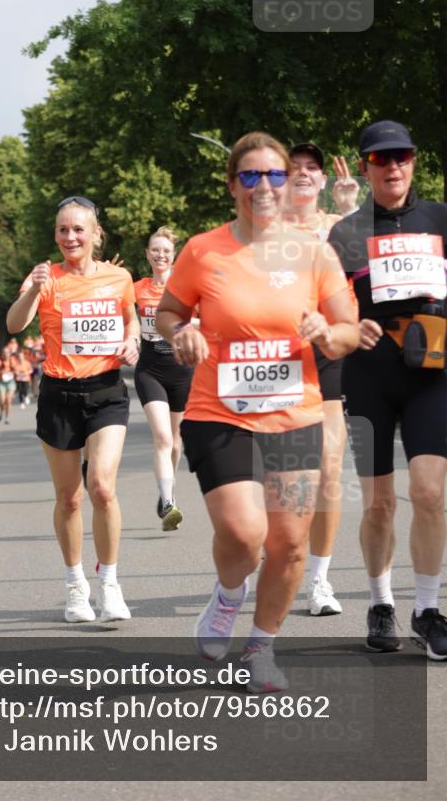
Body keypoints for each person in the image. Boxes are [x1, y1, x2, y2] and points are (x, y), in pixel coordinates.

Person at [156, 132, 358, 691]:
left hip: (295, 420)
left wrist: (327, 331)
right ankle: (227, 596)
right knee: (245, 534)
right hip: (220, 413)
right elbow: (168, 313)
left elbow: (345, 329)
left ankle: (261, 646)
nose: (264, 185)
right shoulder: (204, 250)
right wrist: (182, 332)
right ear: (232, 186)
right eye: (250, 175)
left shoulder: (315, 251)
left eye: (274, 174)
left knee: (290, 543)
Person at [328, 120, 447, 660]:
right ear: (365, 167)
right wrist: (349, 326)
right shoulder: (347, 232)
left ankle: (426, 609)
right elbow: (327, 305)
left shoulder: (440, 218)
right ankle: (380, 603)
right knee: (378, 504)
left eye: (401, 156)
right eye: (380, 159)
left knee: (428, 493)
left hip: (433, 371)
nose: (393, 166)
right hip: (369, 373)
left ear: (414, 160)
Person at [6, 194, 140, 624]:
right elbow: (14, 324)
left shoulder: (119, 277)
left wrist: (133, 339)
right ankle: (75, 585)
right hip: (59, 394)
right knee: (69, 499)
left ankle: (111, 584)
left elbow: (130, 316)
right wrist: (35, 288)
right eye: (63, 229)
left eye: (78, 229)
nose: (70, 237)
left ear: (96, 234)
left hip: (105, 392)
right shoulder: (45, 276)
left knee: (101, 486)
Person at [284, 142, 360, 616]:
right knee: (289, 479)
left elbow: (369, 262)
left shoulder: (340, 226)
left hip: (329, 350)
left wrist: (352, 206)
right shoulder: (266, 229)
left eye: (314, 168)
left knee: (330, 468)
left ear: (324, 180)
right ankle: (280, 560)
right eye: (296, 169)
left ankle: (319, 579)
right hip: (280, 357)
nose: (306, 174)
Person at [134, 226, 194, 531]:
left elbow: (203, 319)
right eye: (155, 250)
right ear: (148, 254)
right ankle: (168, 502)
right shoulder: (136, 288)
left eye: (166, 251)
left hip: (182, 369)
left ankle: (167, 491)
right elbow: (117, 310)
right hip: (150, 370)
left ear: (173, 257)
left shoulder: (184, 288)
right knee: (162, 438)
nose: (160, 255)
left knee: (175, 442)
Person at [0, 345, 16, 423]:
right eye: (4, 353)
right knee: (2, 401)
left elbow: (16, 371)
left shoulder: (12, 361)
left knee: (8, 401)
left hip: (10, 382)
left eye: (7, 353)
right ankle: (1, 412)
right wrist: (1, 372)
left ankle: (6, 418)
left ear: (9, 354)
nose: (6, 354)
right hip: (2, 383)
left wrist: (11, 372)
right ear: (2, 354)